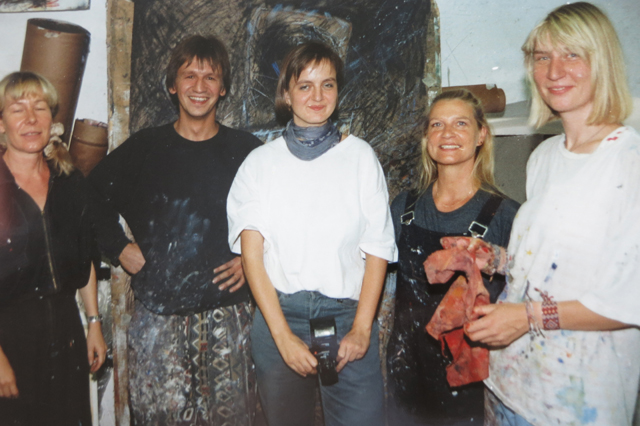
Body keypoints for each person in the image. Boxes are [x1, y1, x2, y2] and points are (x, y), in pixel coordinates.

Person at [453, 3, 640, 425]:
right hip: (510, 387)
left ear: (603, 61)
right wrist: (493, 257)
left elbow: (629, 301)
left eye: (572, 54)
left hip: (575, 403)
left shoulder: (628, 162)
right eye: (542, 57)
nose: (554, 71)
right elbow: (546, 265)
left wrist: (526, 317)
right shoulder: (545, 157)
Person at [89, 35, 261, 425]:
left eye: (210, 77)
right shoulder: (145, 149)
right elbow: (89, 195)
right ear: (172, 85)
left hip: (229, 318)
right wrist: (119, 247)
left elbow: (282, 214)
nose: (199, 86)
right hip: (158, 321)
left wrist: (252, 258)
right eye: (189, 75)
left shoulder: (247, 151)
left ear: (223, 88)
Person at [227, 41, 397, 426]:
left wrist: (362, 328)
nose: (317, 97)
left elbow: (378, 249)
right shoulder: (260, 164)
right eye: (305, 86)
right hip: (279, 314)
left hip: (347, 315)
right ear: (286, 94)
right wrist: (283, 337)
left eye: (328, 85)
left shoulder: (360, 158)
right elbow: (252, 257)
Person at [385, 89, 519, 426]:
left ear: (481, 135)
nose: (447, 134)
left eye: (460, 123)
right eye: (437, 125)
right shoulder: (403, 207)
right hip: (406, 372)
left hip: (471, 381)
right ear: (427, 138)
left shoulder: (506, 215)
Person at [0, 71, 107, 425]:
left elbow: (85, 257)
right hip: (9, 337)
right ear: (1, 124)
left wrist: (93, 323)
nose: (31, 119)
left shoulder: (69, 181)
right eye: (18, 109)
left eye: (40, 107)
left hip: (65, 332)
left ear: (52, 120)